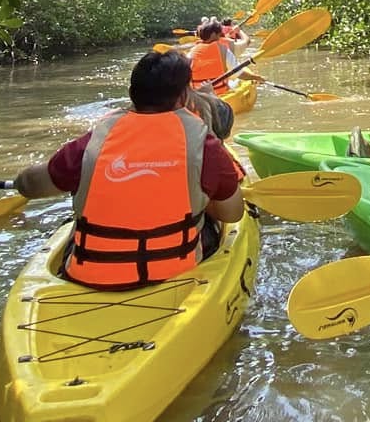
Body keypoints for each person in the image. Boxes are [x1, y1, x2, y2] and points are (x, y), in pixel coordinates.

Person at [13, 51, 246, 288]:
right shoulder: (204, 144)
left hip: (89, 276)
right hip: (174, 273)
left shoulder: (93, 143)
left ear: (132, 93)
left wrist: (21, 181)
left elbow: (30, 186)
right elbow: (232, 213)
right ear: (184, 95)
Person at [186, 19, 258, 94]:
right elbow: (240, 74)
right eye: (219, 33)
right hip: (219, 93)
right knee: (237, 80)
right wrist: (256, 77)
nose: (220, 35)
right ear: (214, 34)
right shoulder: (224, 49)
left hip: (199, 94)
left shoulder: (191, 52)